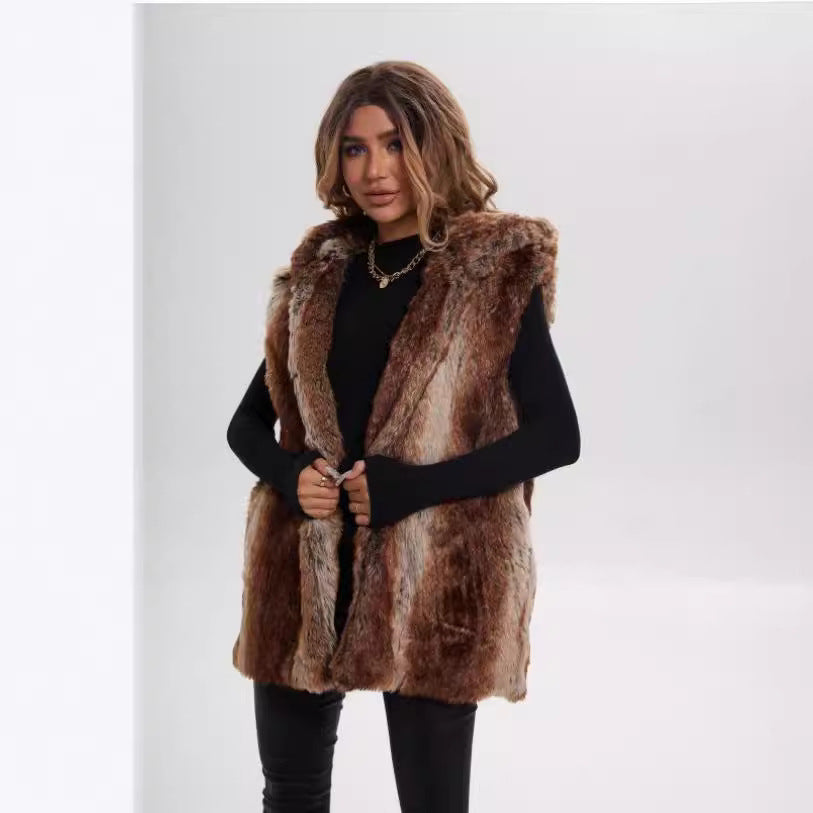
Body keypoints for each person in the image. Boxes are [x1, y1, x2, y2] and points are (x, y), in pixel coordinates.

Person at [227, 60, 580, 813]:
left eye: (394, 143)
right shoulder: (319, 274)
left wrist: (412, 488)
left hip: (434, 580)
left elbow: (557, 434)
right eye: (354, 148)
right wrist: (293, 477)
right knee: (290, 793)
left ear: (435, 144)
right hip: (303, 573)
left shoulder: (489, 272)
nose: (374, 170)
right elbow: (247, 422)